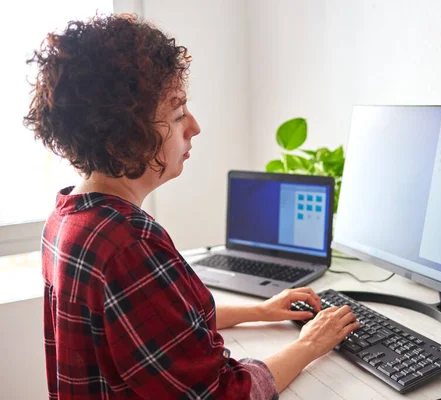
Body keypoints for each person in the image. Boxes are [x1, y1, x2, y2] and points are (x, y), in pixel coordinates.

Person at [24, 13, 359, 399]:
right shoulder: (128, 244)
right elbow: (224, 394)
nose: (194, 126)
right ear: (126, 132)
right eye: (179, 111)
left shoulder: (68, 218)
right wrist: (310, 345)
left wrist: (261, 311)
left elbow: (162, 331)